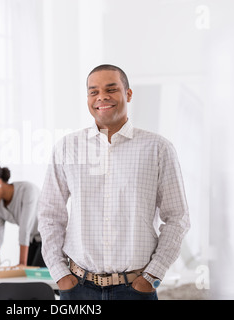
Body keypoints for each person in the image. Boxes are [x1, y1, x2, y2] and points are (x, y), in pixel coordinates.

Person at [37, 64, 190, 300]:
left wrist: (152, 276)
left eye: (111, 89)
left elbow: (177, 218)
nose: (102, 97)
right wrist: (60, 275)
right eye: (93, 91)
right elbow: (50, 215)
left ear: (128, 94)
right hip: (77, 288)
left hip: (136, 289)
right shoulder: (67, 148)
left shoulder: (158, 149)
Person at [0, 163, 45, 267]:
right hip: (32, 239)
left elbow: (25, 228)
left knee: (35, 277)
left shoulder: (27, 190)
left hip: (48, 238)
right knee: (28, 277)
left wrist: (22, 263)